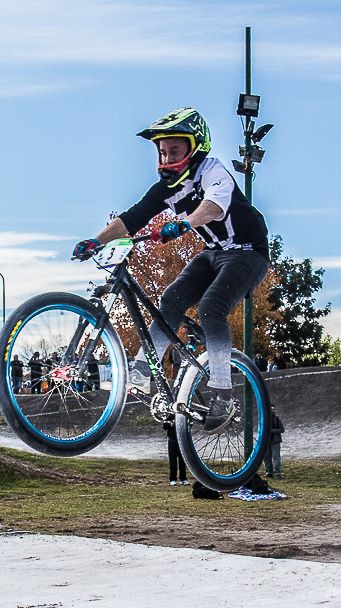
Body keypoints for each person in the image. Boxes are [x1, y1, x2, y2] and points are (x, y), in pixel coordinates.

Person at [72, 107, 269, 431]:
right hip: (214, 252)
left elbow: (214, 207)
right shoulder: (165, 189)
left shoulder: (212, 171)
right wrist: (94, 241)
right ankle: (143, 371)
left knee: (211, 307)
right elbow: (131, 218)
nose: (166, 158)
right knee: (171, 298)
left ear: (195, 148)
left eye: (174, 150)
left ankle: (223, 392)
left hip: (248, 252)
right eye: (162, 152)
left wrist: (184, 223)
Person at [163, 418, 188, 486]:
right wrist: (171, 424)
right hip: (172, 441)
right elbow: (164, 427)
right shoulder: (170, 415)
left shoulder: (184, 415)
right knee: (173, 461)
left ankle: (183, 479)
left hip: (182, 441)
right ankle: (172, 479)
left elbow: (190, 425)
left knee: (183, 461)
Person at [265, 406, 285, 479]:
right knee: (267, 458)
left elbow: (282, 429)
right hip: (266, 441)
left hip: (275, 441)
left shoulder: (277, 419)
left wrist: (271, 430)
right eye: (271, 409)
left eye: (273, 409)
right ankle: (269, 472)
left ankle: (277, 473)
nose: (272, 411)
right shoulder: (265, 419)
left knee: (276, 457)